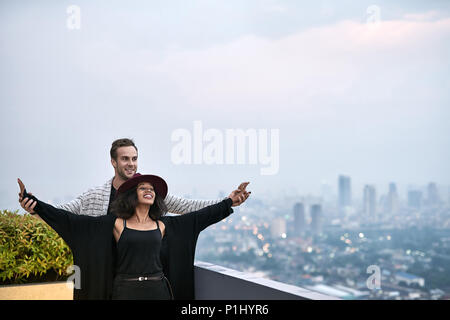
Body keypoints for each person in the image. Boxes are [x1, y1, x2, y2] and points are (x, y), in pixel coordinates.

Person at [17, 175, 250, 300]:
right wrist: (36, 205)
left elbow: (201, 216)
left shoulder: (164, 225)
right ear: (131, 195)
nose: (149, 190)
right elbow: (70, 222)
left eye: (151, 188)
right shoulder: (115, 224)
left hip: (158, 292)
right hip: (124, 292)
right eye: (142, 188)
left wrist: (230, 201)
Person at [19, 138, 247, 217]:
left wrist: (228, 201)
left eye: (134, 158)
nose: (131, 164)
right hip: (101, 270)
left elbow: (187, 205)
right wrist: (35, 206)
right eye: (125, 159)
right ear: (113, 162)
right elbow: (64, 212)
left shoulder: (147, 192)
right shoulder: (94, 196)